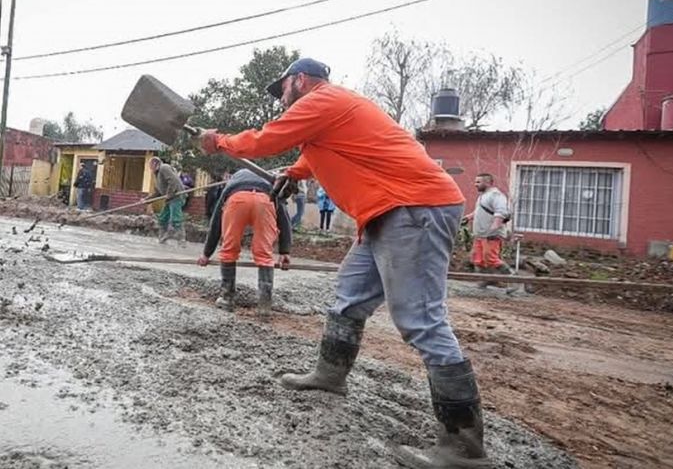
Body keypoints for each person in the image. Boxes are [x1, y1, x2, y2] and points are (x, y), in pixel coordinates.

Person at [199, 57, 489, 468]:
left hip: (414, 207)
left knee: (422, 319)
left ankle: (464, 449)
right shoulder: (326, 114)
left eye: (281, 89)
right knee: (349, 296)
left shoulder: (324, 99)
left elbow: (266, 139)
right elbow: (316, 152)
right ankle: (330, 376)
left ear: (300, 81)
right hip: (385, 213)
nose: (281, 99)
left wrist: (221, 142)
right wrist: (295, 173)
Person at [197, 168, 292, 320]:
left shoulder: (233, 182)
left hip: (237, 200)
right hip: (264, 200)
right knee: (264, 255)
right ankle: (264, 307)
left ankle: (227, 298)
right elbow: (283, 216)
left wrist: (206, 254)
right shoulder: (269, 180)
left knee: (229, 250)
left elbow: (216, 223)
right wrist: (285, 252)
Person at [464, 173, 513, 276]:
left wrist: (494, 229)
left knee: (491, 259)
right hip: (480, 234)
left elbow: (501, 213)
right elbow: (479, 211)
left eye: (478, 182)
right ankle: (486, 280)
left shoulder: (496, 195)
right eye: (475, 181)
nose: (475, 184)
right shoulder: (483, 196)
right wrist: (469, 217)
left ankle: (513, 280)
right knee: (477, 259)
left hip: (490, 234)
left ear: (487, 182)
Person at [147, 156, 186, 243]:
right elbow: (157, 192)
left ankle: (181, 239)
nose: (149, 168)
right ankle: (163, 237)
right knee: (162, 218)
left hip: (176, 196)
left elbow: (173, 181)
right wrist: (147, 200)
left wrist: (169, 193)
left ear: (154, 163)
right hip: (169, 198)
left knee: (176, 218)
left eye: (150, 165)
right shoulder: (156, 175)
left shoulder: (164, 167)